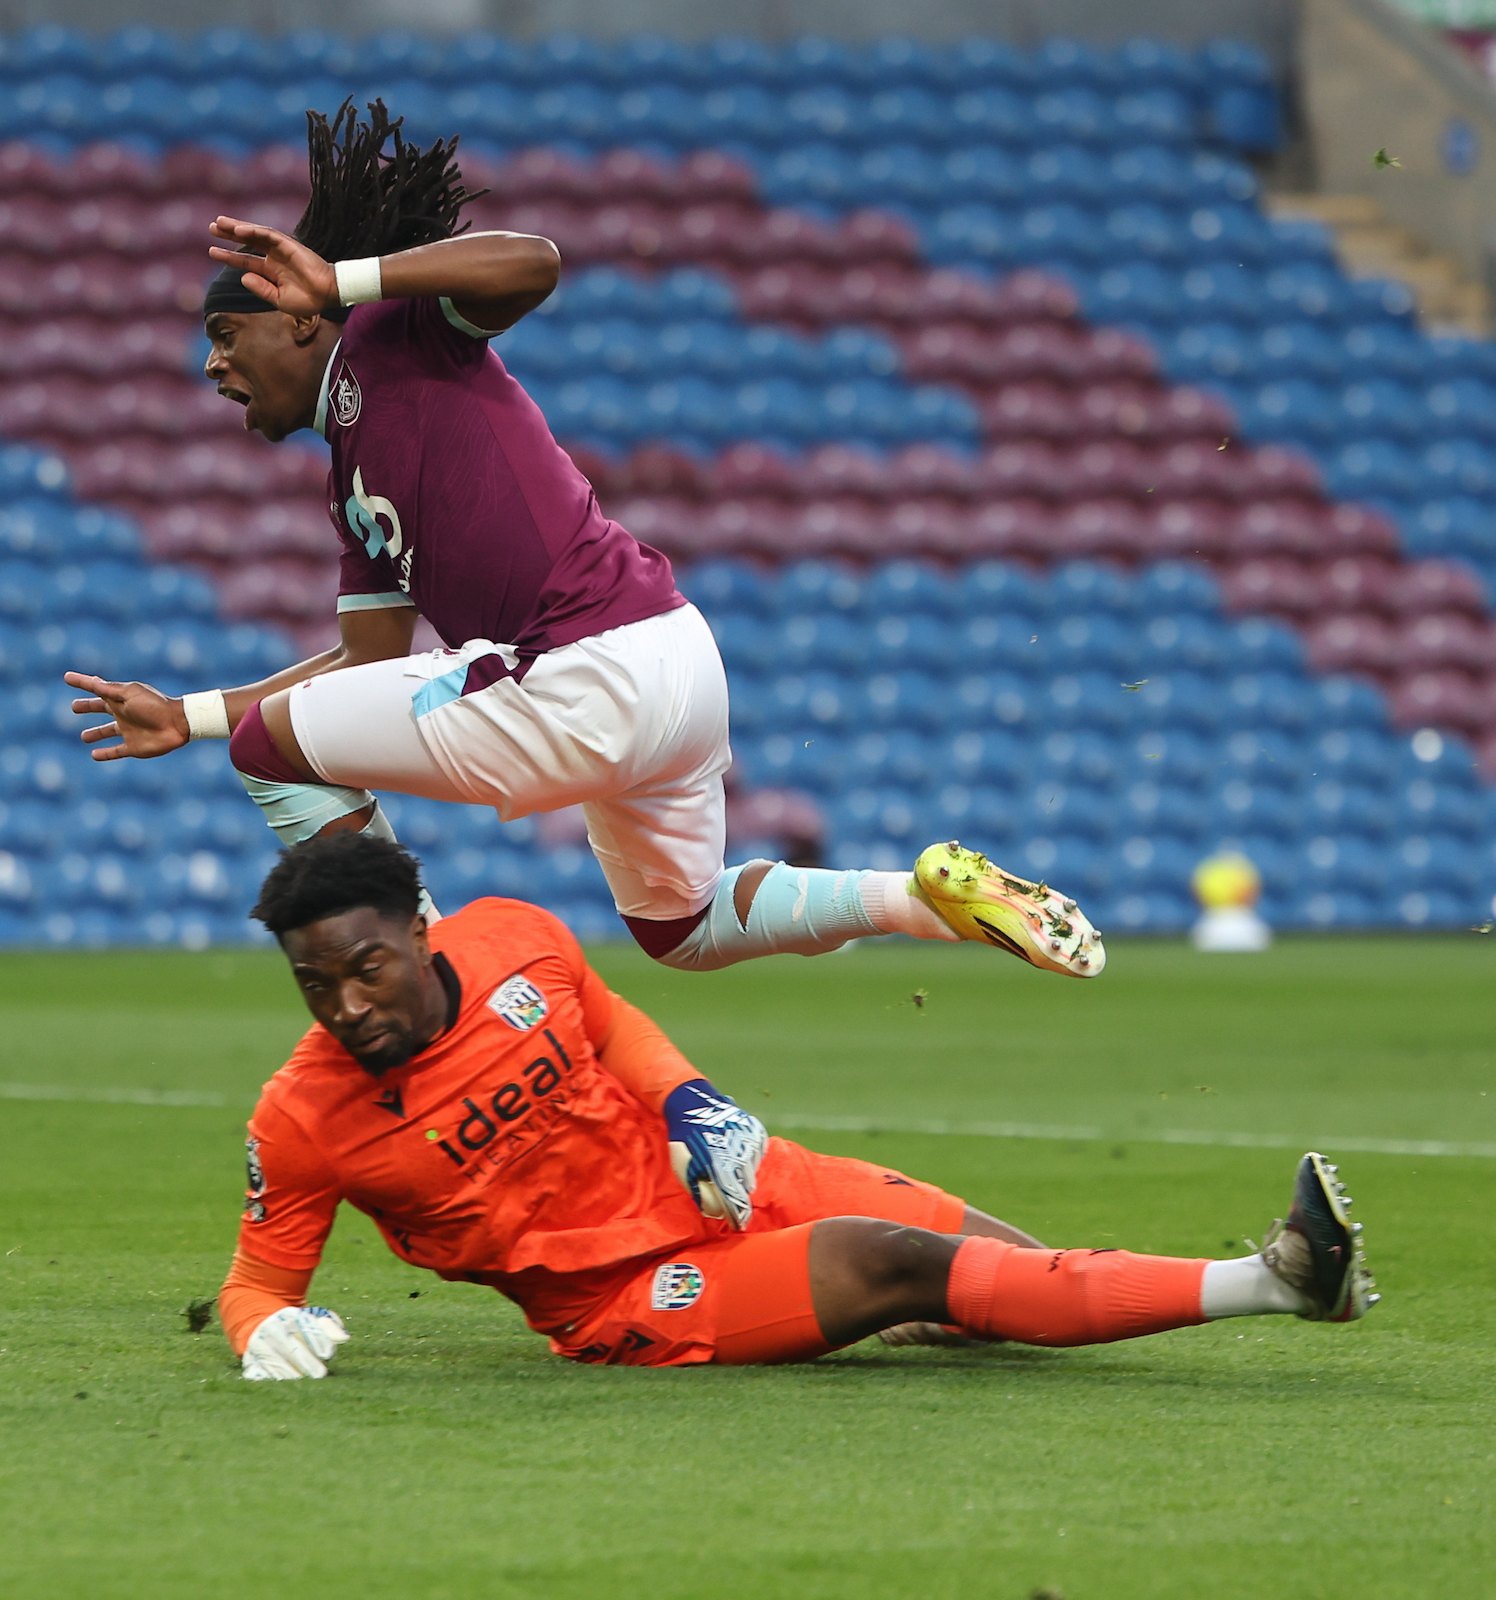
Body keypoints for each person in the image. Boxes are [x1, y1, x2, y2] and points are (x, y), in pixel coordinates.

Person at [66, 100, 1105, 980]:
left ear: (297, 320)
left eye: (223, 335)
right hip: (677, 660)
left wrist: (347, 282)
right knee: (682, 928)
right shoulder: (352, 487)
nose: (212, 366)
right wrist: (190, 713)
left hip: (586, 668)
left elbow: (533, 262)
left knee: (271, 750)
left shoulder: (394, 333)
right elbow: (367, 665)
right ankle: (926, 898)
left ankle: (436, 987)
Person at [219, 832, 1376, 1380]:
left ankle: (1281, 1287)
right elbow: (258, 1280)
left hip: (734, 1181)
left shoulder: (513, 937)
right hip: (632, 1292)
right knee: (896, 1260)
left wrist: (690, 1096)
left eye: (366, 967)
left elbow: (606, 1019)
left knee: (1005, 1274)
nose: (346, 1004)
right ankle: (1279, 1278)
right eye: (314, 983)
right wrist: (258, 1326)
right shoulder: (304, 1115)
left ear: (420, 929)